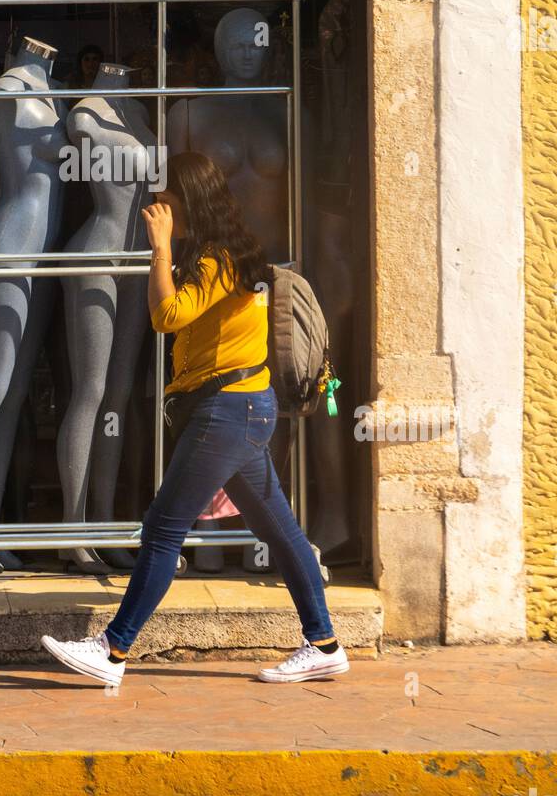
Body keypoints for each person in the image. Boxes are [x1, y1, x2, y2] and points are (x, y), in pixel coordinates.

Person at [41, 151, 349, 688]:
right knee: (281, 531)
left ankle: (112, 651)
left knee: (163, 527)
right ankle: (324, 644)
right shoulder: (230, 251)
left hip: (226, 412)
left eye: (166, 199)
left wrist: (158, 250)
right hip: (245, 410)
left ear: (190, 200)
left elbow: (166, 317)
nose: (157, 207)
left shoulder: (216, 259)